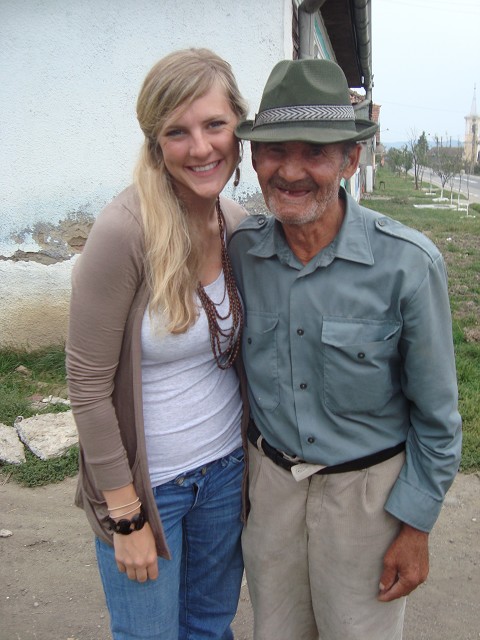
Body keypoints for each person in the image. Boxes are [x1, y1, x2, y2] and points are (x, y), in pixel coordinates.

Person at [229, 58, 462, 640]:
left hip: (368, 505)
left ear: (350, 160)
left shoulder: (407, 265)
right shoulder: (240, 254)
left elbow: (438, 420)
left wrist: (415, 526)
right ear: (254, 159)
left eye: (315, 152)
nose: (291, 171)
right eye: (274, 151)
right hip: (272, 496)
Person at [66, 48, 249, 640]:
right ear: (155, 143)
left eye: (214, 124)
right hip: (150, 490)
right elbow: (87, 386)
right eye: (177, 132)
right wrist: (125, 516)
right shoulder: (125, 231)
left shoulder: (235, 222)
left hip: (226, 473)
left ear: (238, 127)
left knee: (210, 628)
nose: (201, 148)